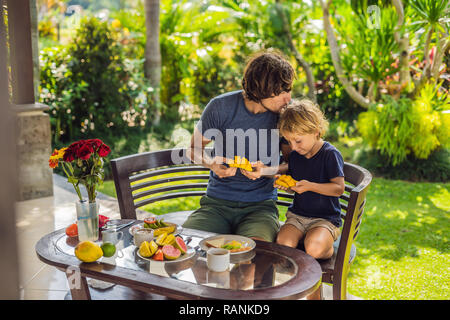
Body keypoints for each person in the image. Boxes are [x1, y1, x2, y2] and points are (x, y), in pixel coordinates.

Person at [183, 49, 295, 242]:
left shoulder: (285, 115)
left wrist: (266, 170)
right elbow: (193, 149)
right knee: (190, 245)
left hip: (260, 207)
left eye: (289, 89)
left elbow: (293, 164)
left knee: (255, 256)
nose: (288, 98)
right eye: (281, 92)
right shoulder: (220, 107)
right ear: (261, 90)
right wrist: (211, 164)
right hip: (216, 205)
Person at [275, 99, 345, 260]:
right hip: (298, 217)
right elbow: (298, 185)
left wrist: (310, 186)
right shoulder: (296, 155)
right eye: (289, 141)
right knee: (282, 244)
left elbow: (338, 188)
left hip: (325, 220)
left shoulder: (330, 154)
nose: (293, 147)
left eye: (298, 140)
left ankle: (326, 249)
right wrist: (289, 186)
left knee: (314, 249)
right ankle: (305, 246)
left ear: (315, 131)